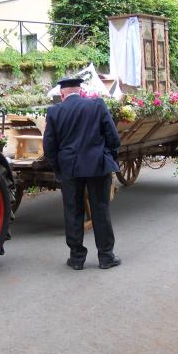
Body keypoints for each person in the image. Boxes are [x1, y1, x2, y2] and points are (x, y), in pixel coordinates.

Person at [42, 77, 122, 270]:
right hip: (97, 165)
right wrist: (107, 155)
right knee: (100, 210)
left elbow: (49, 147)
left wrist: (59, 168)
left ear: (62, 95)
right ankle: (106, 257)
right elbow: (113, 137)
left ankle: (77, 258)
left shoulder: (54, 112)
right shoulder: (97, 105)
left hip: (70, 168)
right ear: (81, 91)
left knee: (72, 211)